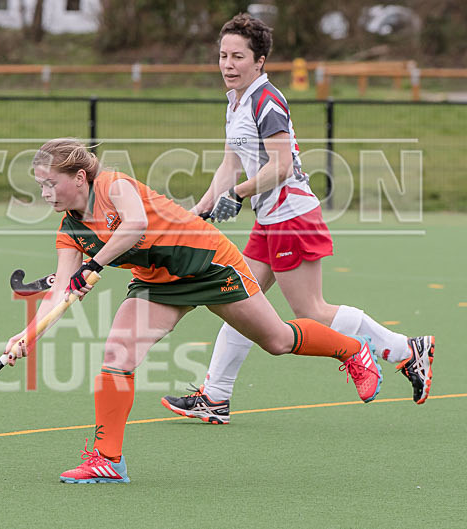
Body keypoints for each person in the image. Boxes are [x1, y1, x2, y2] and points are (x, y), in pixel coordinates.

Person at [4, 138, 382, 484]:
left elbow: (134, 226)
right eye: (40, 185)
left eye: (50, 183)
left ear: (80, 177)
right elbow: (60, 294)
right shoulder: (70, 230)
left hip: (209, 264)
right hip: (157, 283)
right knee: (118, 355)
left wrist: (94, 265)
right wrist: (27, 335)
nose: (44, 193)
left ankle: (353, 350)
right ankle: (107, 459)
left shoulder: (113, 185)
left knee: (278, 340)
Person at [161, 13, 434, 425]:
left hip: (292, 216)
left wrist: (238, 195)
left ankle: (402, 349)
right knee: (239, 302)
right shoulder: (235, 100)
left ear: (260, 60)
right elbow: (229, 164)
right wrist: (199, 210)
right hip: (270, 219)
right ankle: (215, 397)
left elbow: (282, 166)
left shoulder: (266, 100)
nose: (228, 64)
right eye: (223, 55)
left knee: (310, 309)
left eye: (238, 56)